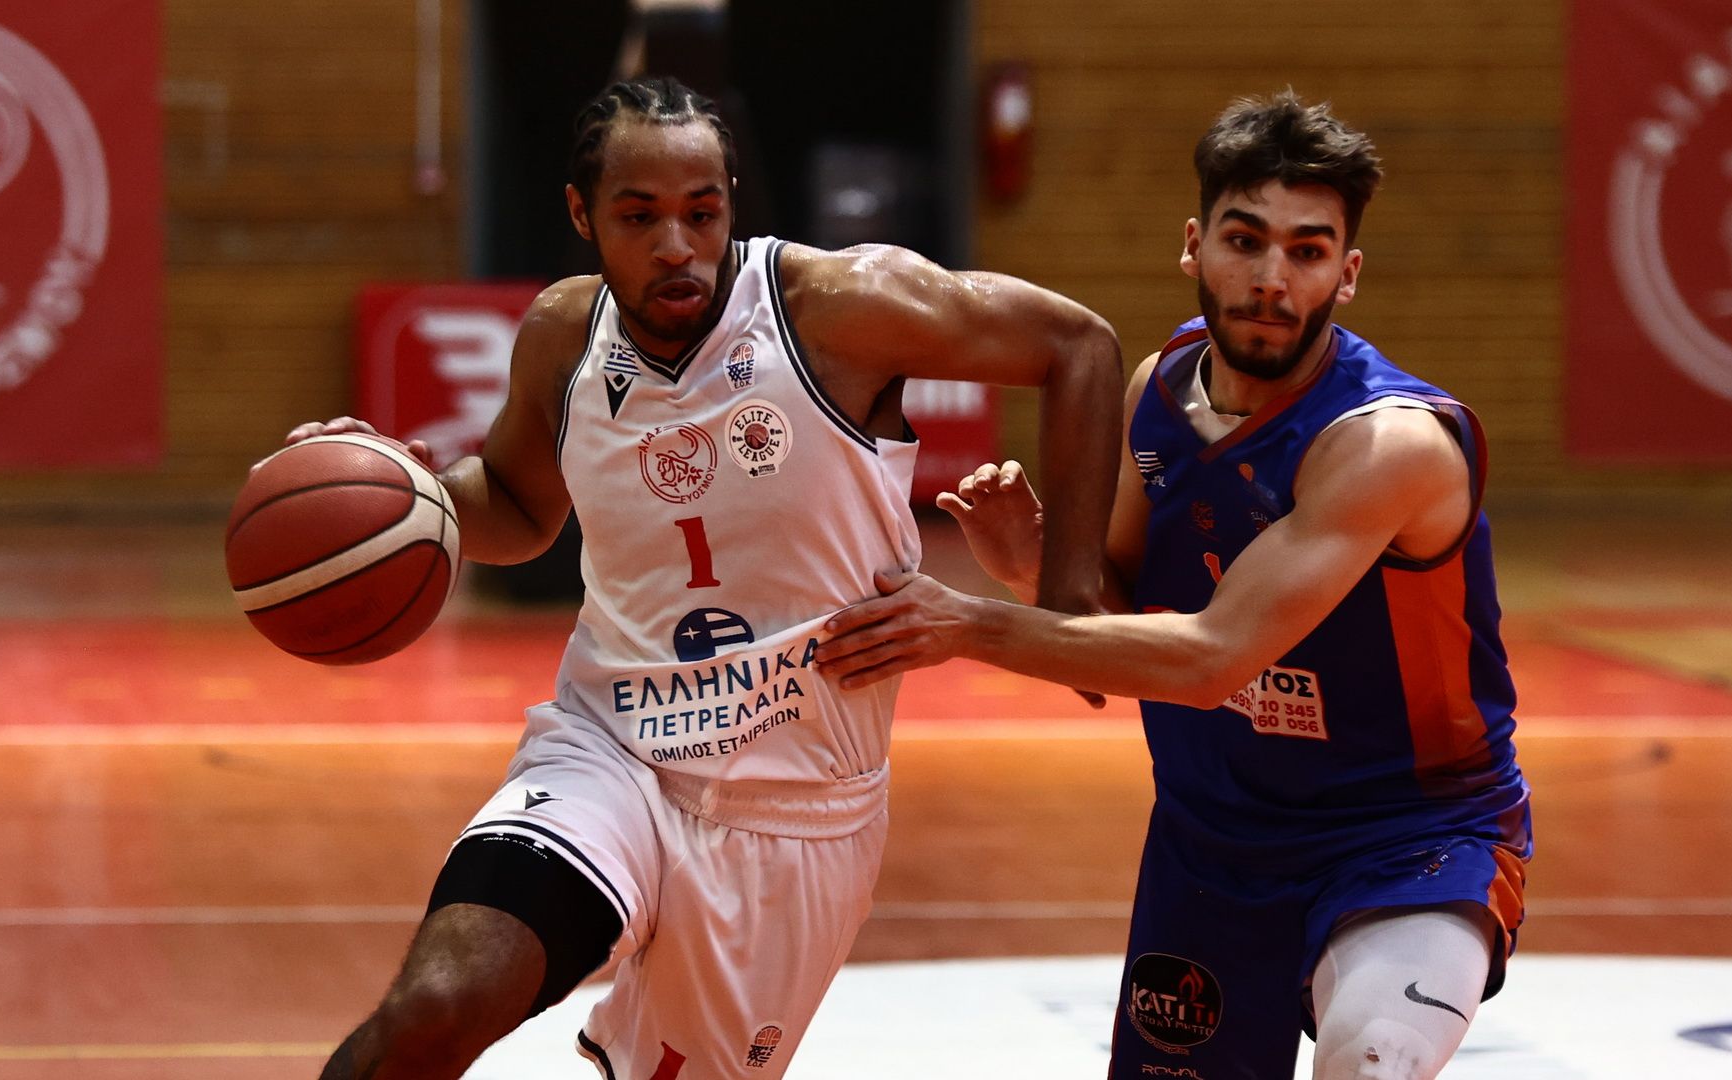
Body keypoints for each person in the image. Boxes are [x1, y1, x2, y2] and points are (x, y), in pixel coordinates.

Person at [289, 76, 1122, 1080]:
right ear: (583, 215)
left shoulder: (839, 310)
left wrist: (1070, 607)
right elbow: (513, 503)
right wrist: (401, 489)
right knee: (437, 1005)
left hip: (797, 813)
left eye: (702, 212)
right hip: (610, 754)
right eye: (639, 217)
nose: (677, 245)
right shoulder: (564, 336)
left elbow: (1079, 344)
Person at [818, 90, 1532, 1080]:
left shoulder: (1385, 445)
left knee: (1376, 1058)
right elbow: (1110, 634)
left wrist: (964, 625)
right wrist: (1032, 567)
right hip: (1210, 842)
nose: (1271, 278)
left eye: (1307, 251)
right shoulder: (1157, 391)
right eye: (1245, 241)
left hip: (1403, 838)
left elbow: (1206, 662)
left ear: (1347, 273)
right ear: (1195, 247)